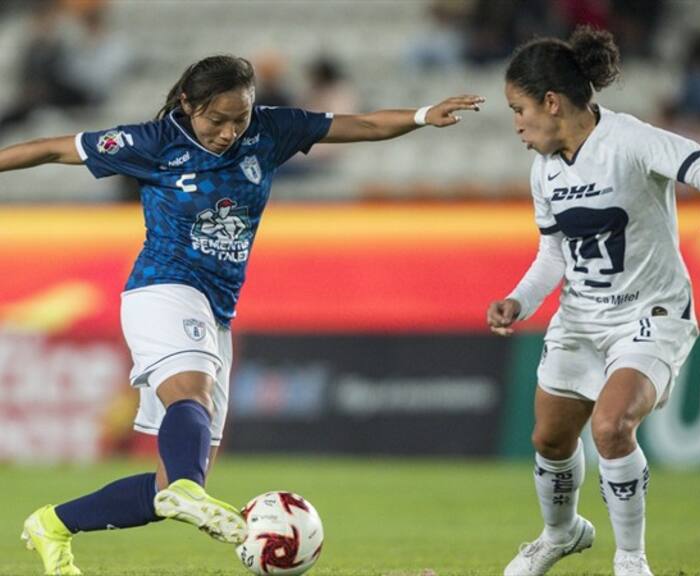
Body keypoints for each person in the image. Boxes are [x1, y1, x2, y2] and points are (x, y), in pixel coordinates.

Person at [0, 54, 484, 575]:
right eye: (217, 119)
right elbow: (53, 147)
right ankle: (187, 491)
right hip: (161, 288)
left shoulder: (270, 131)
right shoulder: (151, 142)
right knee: (192, 394)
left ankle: (52, 524)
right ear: (187, 104)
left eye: (240, 118)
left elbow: (360, 125)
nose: (230, 131)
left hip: (217, 310)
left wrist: (420, 115)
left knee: (172, 483)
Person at [486, 27, 700, 576]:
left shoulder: (629, 140)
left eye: (518, 109)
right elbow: (554, 253)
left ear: (551, 102)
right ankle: (562, 533)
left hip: (650, 314)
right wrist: (519, 299)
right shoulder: (546, 169)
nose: (516, 125)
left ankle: (632, 559)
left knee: (610, 427)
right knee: (550, 439)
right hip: (580, 318)